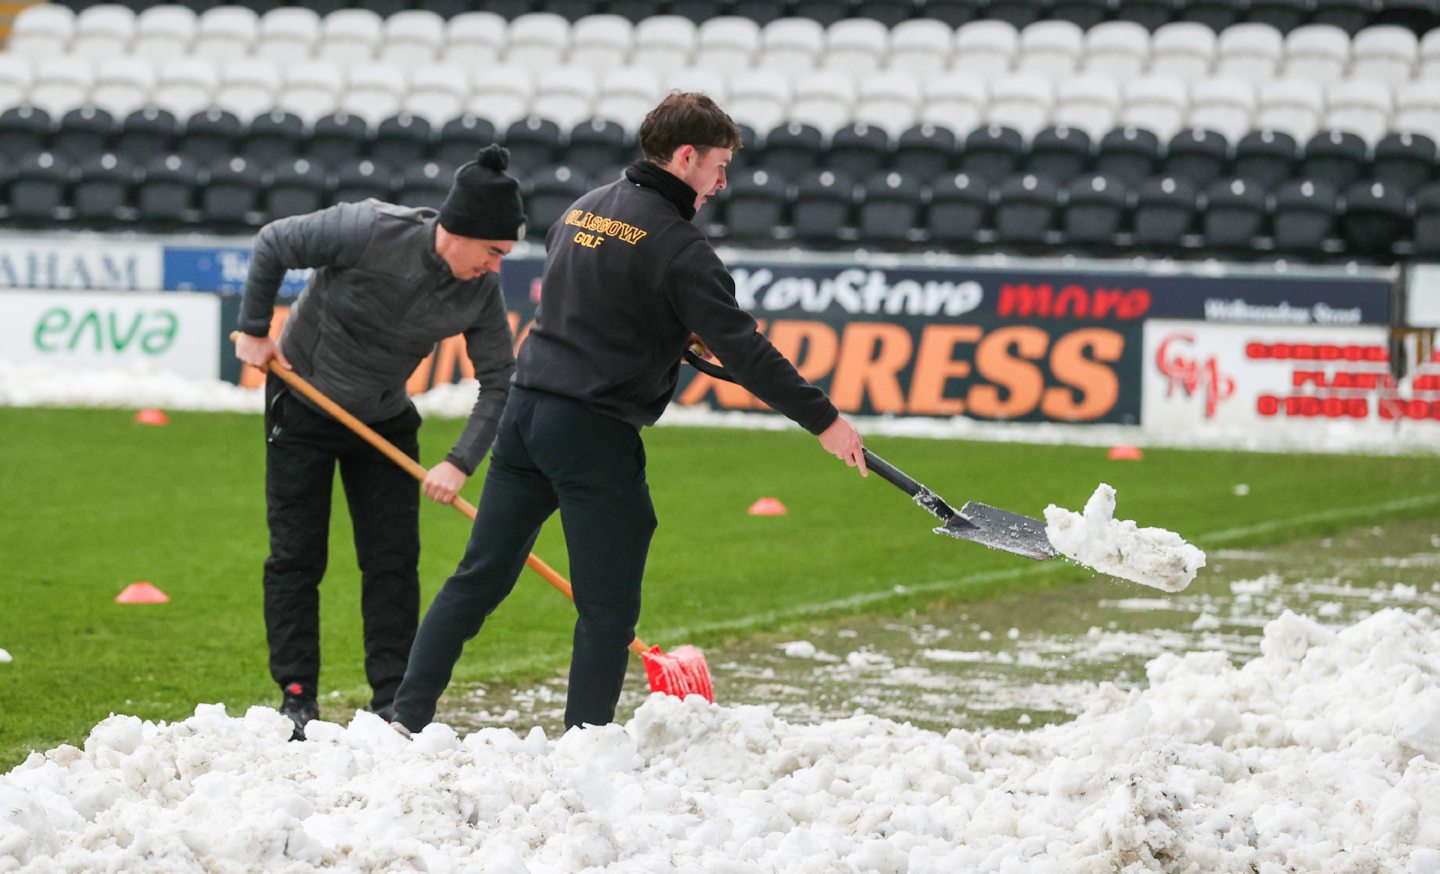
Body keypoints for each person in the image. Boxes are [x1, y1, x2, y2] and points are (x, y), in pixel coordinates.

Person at [388, 92, 868, 736]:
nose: (723, 182)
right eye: (719, 165)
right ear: (686, 156)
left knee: (479, 577)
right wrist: (826, 420)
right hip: (591, 429)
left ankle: (404, 716)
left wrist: (676, 334)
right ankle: (586, 743)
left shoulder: (584, 209)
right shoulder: (678, 244)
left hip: (526, 417)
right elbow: (746, 350)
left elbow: (604, 302)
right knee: (608, 606)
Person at [234, 145, 527, 740]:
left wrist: (458, 462)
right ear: (460, 231)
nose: (497, 267)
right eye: (494, 251)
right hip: (304, 405)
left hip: (384, 423)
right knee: (296, 557)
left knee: (392, 563)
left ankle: (393, 701)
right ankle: (296, 699)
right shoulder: (367, 229)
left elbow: (501, 380)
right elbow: (274, 242)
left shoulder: (479, 292)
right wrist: (255, 330)